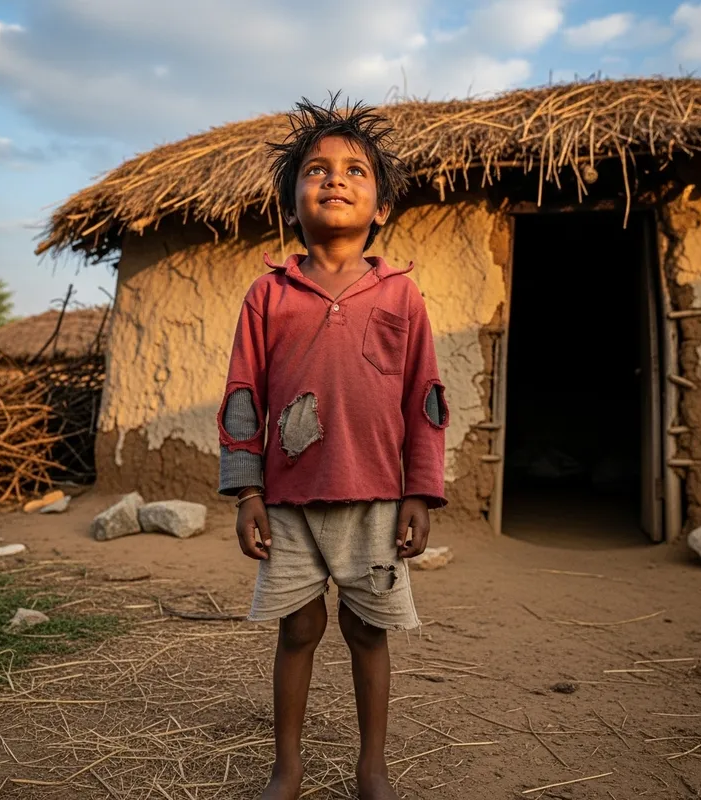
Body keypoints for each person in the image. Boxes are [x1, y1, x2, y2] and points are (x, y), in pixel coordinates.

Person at [217, 94, 448, 800]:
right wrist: (247, 489)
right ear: (293, 203)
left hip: (377, 497)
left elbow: (426, 400)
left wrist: (419, 490)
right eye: (315, 170)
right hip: (286, 500)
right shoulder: (268, 294)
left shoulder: (402, 297)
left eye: (355, 170)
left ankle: (371, 767)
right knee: (298, 627)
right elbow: (243, 397)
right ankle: (286, 768)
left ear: (380, 207)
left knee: (366, 632)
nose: (335, 179)